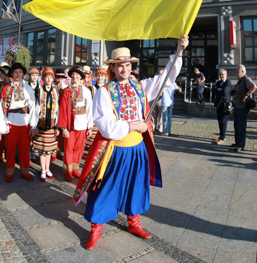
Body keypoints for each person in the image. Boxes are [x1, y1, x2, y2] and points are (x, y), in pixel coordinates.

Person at [74, 36, 188, 250]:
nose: (124, 69)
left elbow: (167, 79)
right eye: (120, 65)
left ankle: (134, 223)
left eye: (127, 64)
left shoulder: (141, 87)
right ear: (113, 68)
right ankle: (96, 229)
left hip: (138, 149)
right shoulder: (103, 92)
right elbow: (107, 127)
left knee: (136, 187)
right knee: (104, 189)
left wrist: (179, 51)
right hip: (115, 150)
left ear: (131, 66)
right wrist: (134, 126)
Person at [0, 63, 38, 182]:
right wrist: (3, 124)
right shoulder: (6, 88)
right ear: (11, 74)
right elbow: (1, 108)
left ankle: (24, 172)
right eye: (15, 72)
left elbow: (33, 107)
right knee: (10, 149)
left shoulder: (28, 88)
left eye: (20, 72)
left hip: (25, 123)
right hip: (11, 122)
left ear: (23, 74)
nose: (17, 74)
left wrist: (33, 125)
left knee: (24, 150)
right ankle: (10, 173)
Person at [57, 66, 93, 181]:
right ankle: (68, 170)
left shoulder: (86, 91)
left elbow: (90, 109)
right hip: (70, 125)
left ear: (81, 77)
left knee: (79, 148)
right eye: (73, 74)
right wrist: (63, 128)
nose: (75, 76)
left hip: (82, 124)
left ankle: (75, 169)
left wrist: (90, 126)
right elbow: (62, 109)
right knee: (68, 148)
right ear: (71, 76)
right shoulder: (66, 91)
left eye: (77, 75)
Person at [32, 67, 59, 181]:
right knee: (42, 150)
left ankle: (48, 169)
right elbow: (35, 108)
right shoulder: (39, 90)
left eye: (51, 77)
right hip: (41, 123)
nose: (49, 79)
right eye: (47, 77)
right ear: (43, 79)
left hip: (51, 124)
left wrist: (57, 125)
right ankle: (43, 170)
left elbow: (57, 109)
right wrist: (34, 125)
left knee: (49, 150)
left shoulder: (56, 91)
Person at [231, 65, 257, 152]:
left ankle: (241, 144)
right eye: (236, 71)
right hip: (237, 106)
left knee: (241, 126)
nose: (236, 73)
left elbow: (254, 87)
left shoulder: (246, 79)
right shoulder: (239, 81)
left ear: (242, 72)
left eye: (238, 71)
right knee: (237, 126)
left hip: (242, 107)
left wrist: (246, 95)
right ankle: (237, 142)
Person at [212, 69, 232, 145]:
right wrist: (218, 89)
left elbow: (224, 91)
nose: (221, 76)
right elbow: (213, 90)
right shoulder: (218, 82)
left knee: (223, 121)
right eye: (220, 74)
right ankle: (221, 135)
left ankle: (222, 138)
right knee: (219, 121)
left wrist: (218, 90)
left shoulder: (228, 82)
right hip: (218, 104)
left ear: (226, 75)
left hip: (224, 105)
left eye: (222, 74)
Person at [152, 68, 164, 133]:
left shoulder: (165, 81)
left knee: (161, 115)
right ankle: (153, 127)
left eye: (161, 74)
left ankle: (160, 128)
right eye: (159, 74)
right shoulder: (154, 81)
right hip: (154, 99)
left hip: (161, 99)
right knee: (153, 115)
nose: (160, 75)